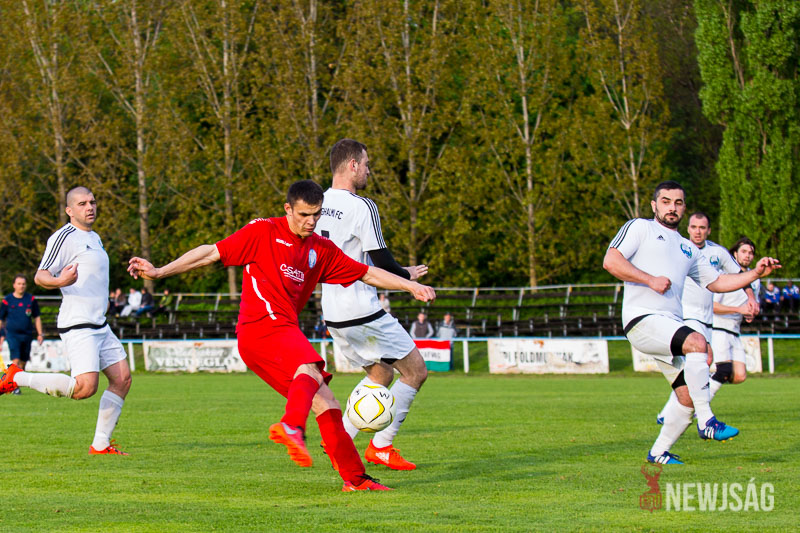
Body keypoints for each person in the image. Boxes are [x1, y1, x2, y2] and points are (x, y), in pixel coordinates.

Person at [126, 179, 436, 491]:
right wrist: (159, 272)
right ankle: (291, 425)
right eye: (304, 215)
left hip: (280, 330)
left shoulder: (321, 249)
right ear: (288, 209)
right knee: (310, 367)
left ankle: (355, 479)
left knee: (326, 400)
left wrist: (409, 285)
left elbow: (366, 272)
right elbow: (210, 253)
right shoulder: (262, 231)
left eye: (316, 214)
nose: (311, 221)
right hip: (261, 327)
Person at [603, 180, 779, 465]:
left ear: (684, 208)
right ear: (654, 205)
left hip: (667, 326)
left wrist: (755, 273)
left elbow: (718, 282)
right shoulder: (640, 228)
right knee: (698, 343)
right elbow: (611, 261)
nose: (672, 207)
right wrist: (649, 279)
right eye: (666, 201)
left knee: (686, 396)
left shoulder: (688, 249)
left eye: (678, 202)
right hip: (641, 318)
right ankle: (707, 421)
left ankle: (658, 452)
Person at [315, 138, 430, 471]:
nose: (369, 170)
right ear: (353, 165)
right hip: (361, 308)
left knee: (381, 373)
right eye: (366, 164)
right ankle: (381, 446)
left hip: (333, 312)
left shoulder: (317, 203)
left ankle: (339, 440)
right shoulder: (362, 206)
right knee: (416, 372)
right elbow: (380, 260)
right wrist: (407, 277)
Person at [0, 186, 132, 455]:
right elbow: (40, 276)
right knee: (84, 389)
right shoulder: (64, 237)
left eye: (93, 202)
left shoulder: (95, 237)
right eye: (82, 203)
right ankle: (17, 376)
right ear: (69, 210)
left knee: (122, 380)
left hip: (99, 323)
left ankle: (101, 444)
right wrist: (60, 280)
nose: (90, 207)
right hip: (79, 323)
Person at [655, 213, 756, 424]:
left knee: (701, 367)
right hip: (685, 315)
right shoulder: (677, 248)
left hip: (707, 319)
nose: (698, 231)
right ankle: (692, 414)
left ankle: (669, 413)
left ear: (708, 230)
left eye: (702, 227)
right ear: (688, 229)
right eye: (694, 227)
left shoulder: (717, 253)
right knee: (704, 360)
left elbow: (741, 275)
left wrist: (751, 297)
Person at [709, 237, 760, 398]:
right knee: (724, 371)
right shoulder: (725, 276)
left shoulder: (754, 280)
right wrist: (739, 309)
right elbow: (712, 306)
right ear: (735, 254)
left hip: (735, 331)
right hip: (718, 329)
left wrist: (750, 313)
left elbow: (751, 304)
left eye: (751, 253)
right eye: (743, 251)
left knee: (739, 376)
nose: (747, 255)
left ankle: (702, 383)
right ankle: (697, 405)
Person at [0, 274, 45, 394]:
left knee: (23, 361)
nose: (21, 286)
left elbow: (37, 317)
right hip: (12, 334)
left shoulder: (31, 299)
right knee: (16, 359)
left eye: (23, 284)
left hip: (27, 334)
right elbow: (1, 319)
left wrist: (40, 333)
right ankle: (13, 387)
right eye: (19, 284)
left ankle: (17, 382)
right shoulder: (7, 300)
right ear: (14, 285)